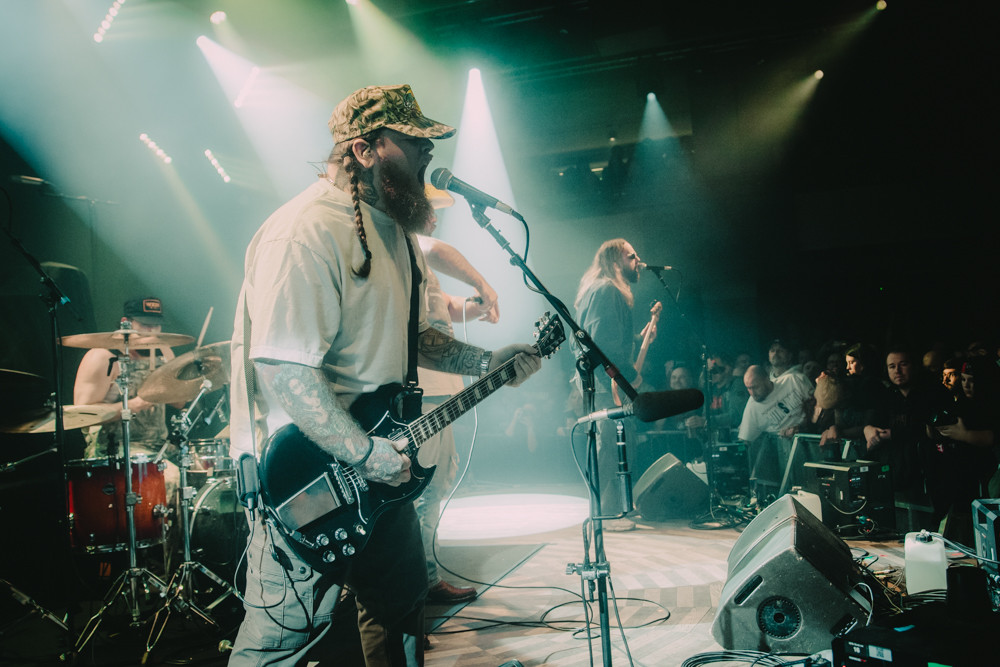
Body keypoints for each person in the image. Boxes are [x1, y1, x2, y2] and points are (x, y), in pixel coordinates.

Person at [227, 84, 541, 667]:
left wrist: (486, 363)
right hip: (306, 475)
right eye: (413, 140)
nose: (428, 152)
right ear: (365, 149)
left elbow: (418, 339)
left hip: (382, 468)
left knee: (399, 609)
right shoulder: (305, 230)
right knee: (281, 641)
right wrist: (362, 452)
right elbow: (284, 369)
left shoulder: (396, 232)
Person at [413, 185, 499, 606]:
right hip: (425, 391)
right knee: (425, 490)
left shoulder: (418, 265)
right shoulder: (409, 243)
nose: (434, 217)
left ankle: (423, 578)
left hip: (440, 392)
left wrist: (476, 305)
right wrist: (482, 282)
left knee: (435, 485)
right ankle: (422, 583)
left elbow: (444, 306)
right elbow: (434, 247)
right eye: (429, 209)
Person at [573, 238, 651, 531]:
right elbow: (603, 344)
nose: (638, 261)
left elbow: (602, 336)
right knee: (611, 447)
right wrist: (629, 377)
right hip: (606, 384)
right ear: (616, 260)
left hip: (602, 381)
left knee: (614, 445)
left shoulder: (600, 290)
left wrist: (637, 339)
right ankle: (605, 514)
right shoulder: (607, 289)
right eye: (632, 256)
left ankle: (611, 509)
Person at [737, 364, 813, 500]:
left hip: (810, 441)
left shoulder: (793, 380)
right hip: (781, 455)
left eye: (755, 387)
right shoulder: (752, 407)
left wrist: (802, 426)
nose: (752, 393)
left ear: (767, 379)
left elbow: (818, 406)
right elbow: (746, 441)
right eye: (748, 388)